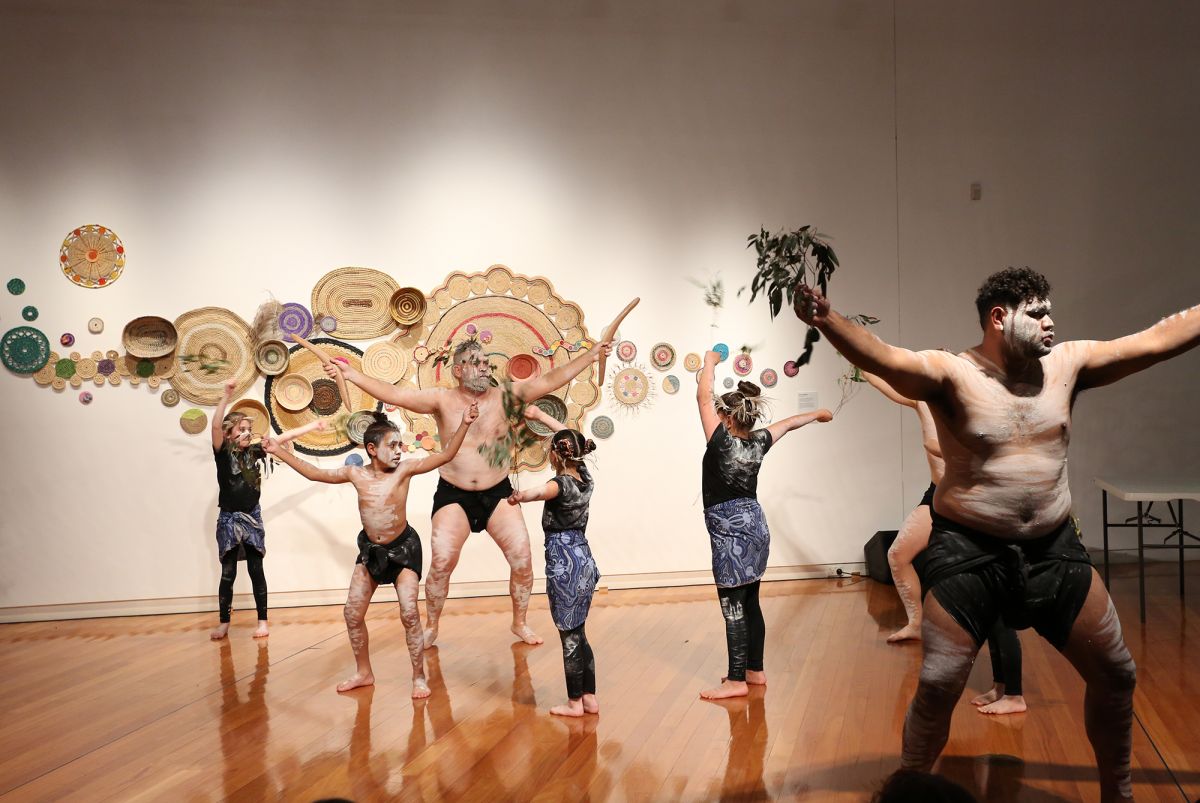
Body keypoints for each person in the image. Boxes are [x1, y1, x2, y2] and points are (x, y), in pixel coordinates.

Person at [797, 266, 1200, 800]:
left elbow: (1151, 342)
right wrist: (827, 319)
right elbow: (885, 358)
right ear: (999, 317)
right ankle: (906, 790)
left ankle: (1117, 794)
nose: (1050, 322)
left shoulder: (1068, 365)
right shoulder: (951, 374)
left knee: (1117, 673)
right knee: (940, 683)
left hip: (1054, 549)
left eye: (1050, 311)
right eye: (1037, 313)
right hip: (969, 548)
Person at [328, 335, 612, 648]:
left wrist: (591, 355)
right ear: (459, 370)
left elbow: (550, 379)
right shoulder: (441, 399)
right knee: (442, 562)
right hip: (454, 494)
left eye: (485, 361)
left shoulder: (507, 395)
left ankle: (520, 622)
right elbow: (396, 393)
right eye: (475, 363)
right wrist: (351, 374)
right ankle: (432, 627)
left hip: (498, 492)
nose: (483, 367)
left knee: (522, 558)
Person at [264, 405, 478, 697]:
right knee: (352, 614)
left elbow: (445, 455)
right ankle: (363, 672)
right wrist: (278, 451)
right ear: (372, 449)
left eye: (400, 445)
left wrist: (464, 422)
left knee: (408, 612)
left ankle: (418, 676)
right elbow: (315, 473)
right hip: (371, 551)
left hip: (403, 550)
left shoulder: (405, 470)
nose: (399, 451)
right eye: (392, 446)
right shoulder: (355, 474)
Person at [864, 372, 1027, 715]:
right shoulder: (923, 401)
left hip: (973, 501)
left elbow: (950, 450)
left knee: (995, 602)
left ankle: (1013, 692)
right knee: (898, 554)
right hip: (940, 496)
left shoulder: (968, 411)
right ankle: (1000, 685)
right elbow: (891, 385)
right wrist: (860, 363)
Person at [696, 350, 833, 700]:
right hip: (755, 526)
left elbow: (702, 395)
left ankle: (736, 679)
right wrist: (817, 414)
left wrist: (710, 361)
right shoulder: (757, 442)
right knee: (751, 600)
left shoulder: (721, 442)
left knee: (733, 605)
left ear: (726, 418)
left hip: (730, 531)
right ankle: (755, 670)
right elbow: (787, 424)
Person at [507, 405, 601, 717]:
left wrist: (518, 496)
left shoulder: (559, 484)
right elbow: (568, 435)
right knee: (580, 632)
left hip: (565, 563)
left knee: (569, 636)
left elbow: (539, 492)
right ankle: (589, 697)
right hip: (584, 559)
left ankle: (574, 702)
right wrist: (540, 415)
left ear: (557, 456)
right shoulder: (584, 477)